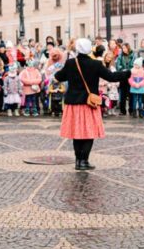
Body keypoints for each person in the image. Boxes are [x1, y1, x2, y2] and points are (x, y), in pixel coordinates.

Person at [53, 39, 129, 170]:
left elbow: (59, 76)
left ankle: (78, 161)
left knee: (76, 133)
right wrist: (128, 73)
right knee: (89, 133)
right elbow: (112, 77)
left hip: (73, 103)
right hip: (89, 104)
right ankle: (84, 161)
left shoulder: (71, 63)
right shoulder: (95, 64)